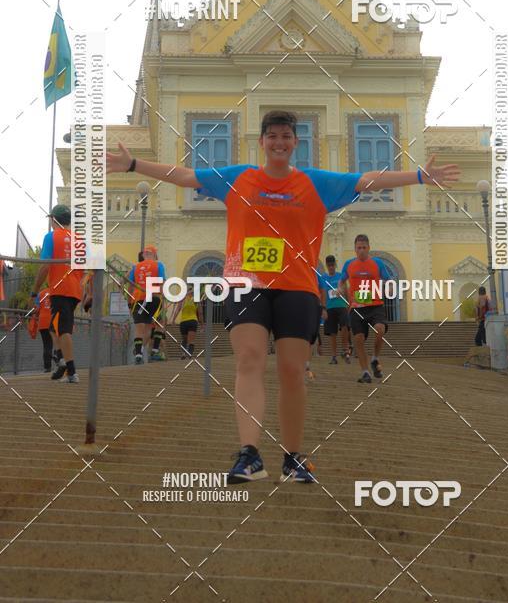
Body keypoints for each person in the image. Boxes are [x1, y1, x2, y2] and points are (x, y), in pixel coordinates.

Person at [107, 109, 459, 483]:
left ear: (295, 143)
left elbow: (367, 180)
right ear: (261, 141)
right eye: (272, 135)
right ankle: (250, 454)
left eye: (286, 136)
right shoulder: (237, 177)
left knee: (292, 372)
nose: (279, 142)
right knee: (250, 360)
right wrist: (133, 165)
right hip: (246, 285)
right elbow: (184, 175)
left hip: (297, 288)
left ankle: (292, 458)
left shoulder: (315, 183)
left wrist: (419, 176)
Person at [31, 205, 84, 383]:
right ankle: (61, 361)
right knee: (55, 328)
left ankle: (72, 371)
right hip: (74, 289)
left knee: (62, 329)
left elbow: (45, 266)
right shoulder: (79, 239)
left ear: (54, 219)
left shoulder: (51, 237)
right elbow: (84, 269)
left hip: (60, 288)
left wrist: (35, 290)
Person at [338, 235, 394, 384]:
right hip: (357, 308)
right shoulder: (349, 264)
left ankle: (375, 358)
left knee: (380, 330)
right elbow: (342, 281)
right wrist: (340, 289)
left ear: (368, 248)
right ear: (355, 249)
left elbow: (389, 280)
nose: (361, 250)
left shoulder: (377, 263)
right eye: (358, 248)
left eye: (364, 247)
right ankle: (365, 372)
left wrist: (388, 288)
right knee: (358, 339)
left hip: (375, 305)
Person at [128, 246, 166, 364]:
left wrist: (129, 302)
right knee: (158, 323)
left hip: (138, 298)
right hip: (153, 297)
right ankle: (154, 350)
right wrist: (162, 300)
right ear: (154, 255)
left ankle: (138, 354)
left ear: (143, 255)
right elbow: (162, 282)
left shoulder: (135, 267)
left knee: (140, 328)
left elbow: (129, 285)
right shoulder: (158, 265)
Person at [318, 255, 351, 364]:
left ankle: (345, 350)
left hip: (341, 306)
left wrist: (349, 304)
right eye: (329, 265)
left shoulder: (341, 276)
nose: (331, 267)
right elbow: (321, 293)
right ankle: (334, 356)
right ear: (327, 265)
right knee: (332, 333)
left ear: (335, 265)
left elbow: (346, 290)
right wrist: (322, 308)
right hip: (329, 308)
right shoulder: (323, 278)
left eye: (333, 265)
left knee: (345, 327)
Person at [178, 288, 203, 358]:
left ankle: (184, 353)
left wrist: (173, 319)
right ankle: (188, 353)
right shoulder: (196, 300)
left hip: (185, 321)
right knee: (190, 340)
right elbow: (200, 313)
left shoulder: (183, 299)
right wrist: (202, 325)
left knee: (185, 339)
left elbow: (177, 309)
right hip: (192, 321)